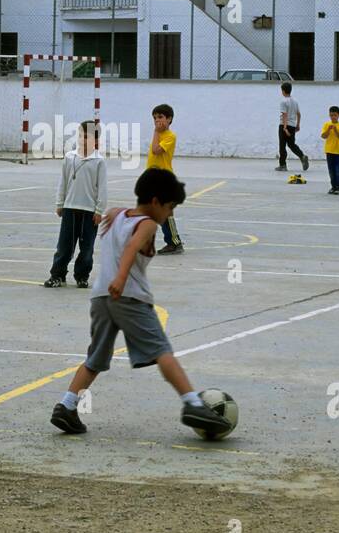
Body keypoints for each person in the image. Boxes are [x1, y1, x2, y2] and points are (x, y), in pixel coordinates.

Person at [50, 167, 233, 437]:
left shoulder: (117, 214)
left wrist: (116, 214)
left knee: (95, 358)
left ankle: (66, 405)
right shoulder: (148, 224)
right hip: (129, 297)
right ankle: (193, 403)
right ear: (156, 202)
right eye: (170, 207)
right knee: (162, 350)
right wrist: (122, 278)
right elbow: (132, 247)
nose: (171, 214)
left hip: (101, 298)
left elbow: (117, 214)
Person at [44, 120, 107, 289]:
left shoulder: (99, 161)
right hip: (70, 208)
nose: (82, 139)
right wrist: (60, 203)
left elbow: (102, 189)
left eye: (86, 136)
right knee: (64, 246)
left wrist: (99, 210)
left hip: (89, 211)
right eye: (80, 135)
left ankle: (82, 276)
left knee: (86, 249)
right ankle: (57, 275)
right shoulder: (69, 157)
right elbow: (63, 182)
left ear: (95, 140)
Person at [148, 104, 183, 254]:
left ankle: (174, 242)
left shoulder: (169, 136)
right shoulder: (158, 135)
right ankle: (172, 240)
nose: (157, 121)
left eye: (161, 117)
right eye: (155, 118)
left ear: (169, 119)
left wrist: (156, 131)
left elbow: (156, 151)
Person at [275, 82, 309, 174]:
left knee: (282, 145)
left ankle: (282, 165)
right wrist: (298, 125)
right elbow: (298, 114)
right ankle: (302, 156)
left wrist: (285, 128)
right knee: (291, 144)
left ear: (283, 91)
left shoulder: (283, 101)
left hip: (284, 125)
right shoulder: (295, 102)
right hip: (292, 125)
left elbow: (284, 115)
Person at [321, 105, 339, 194]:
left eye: (335, 115)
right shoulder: (326, 125)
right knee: (331, 170)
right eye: (331, 115)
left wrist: (336, 131)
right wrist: (328, 130)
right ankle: (333, 186)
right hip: (329, 151)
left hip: (338, 151)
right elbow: (323, 136)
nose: (333, 117)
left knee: (338, 170)